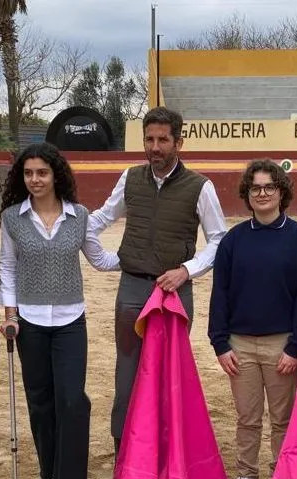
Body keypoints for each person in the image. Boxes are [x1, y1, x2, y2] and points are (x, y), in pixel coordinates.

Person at [90, 106, 227, 458]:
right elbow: (102, 218)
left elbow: (218, 240)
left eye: (163, 140)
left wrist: (187, 270)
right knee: (127, 372)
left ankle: (168, 454)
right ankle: (125, 455)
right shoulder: (130, 178)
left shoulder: (200, 186)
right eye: (149, 139)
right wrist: (79, 236)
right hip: (133, 287)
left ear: (179, 142)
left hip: (174, 291)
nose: (154, 147)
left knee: (170, 373)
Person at [0, 143, 119, 479]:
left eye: (42, 173)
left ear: (55, 175)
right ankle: (49, 471)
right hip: (29, 321)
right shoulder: (13, 218)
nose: (34, 180)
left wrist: (137, 257)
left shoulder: (79, 216)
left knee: (71, 400)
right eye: (28, 173)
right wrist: (10, 314)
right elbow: (7, 267)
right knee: (40, 400)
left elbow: (99, 259)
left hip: (70, 321)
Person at [208, 159, 297, 479]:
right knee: (247, 417)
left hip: (282, 344)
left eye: (269, 186)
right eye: (255, 188)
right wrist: (220, 343)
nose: (262, 193)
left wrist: (296, 345)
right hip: (239, 345)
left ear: (281, 191)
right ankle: (246, 477)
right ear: (247, 193)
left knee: (284, 419)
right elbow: (220, 294)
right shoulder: (234, 240)